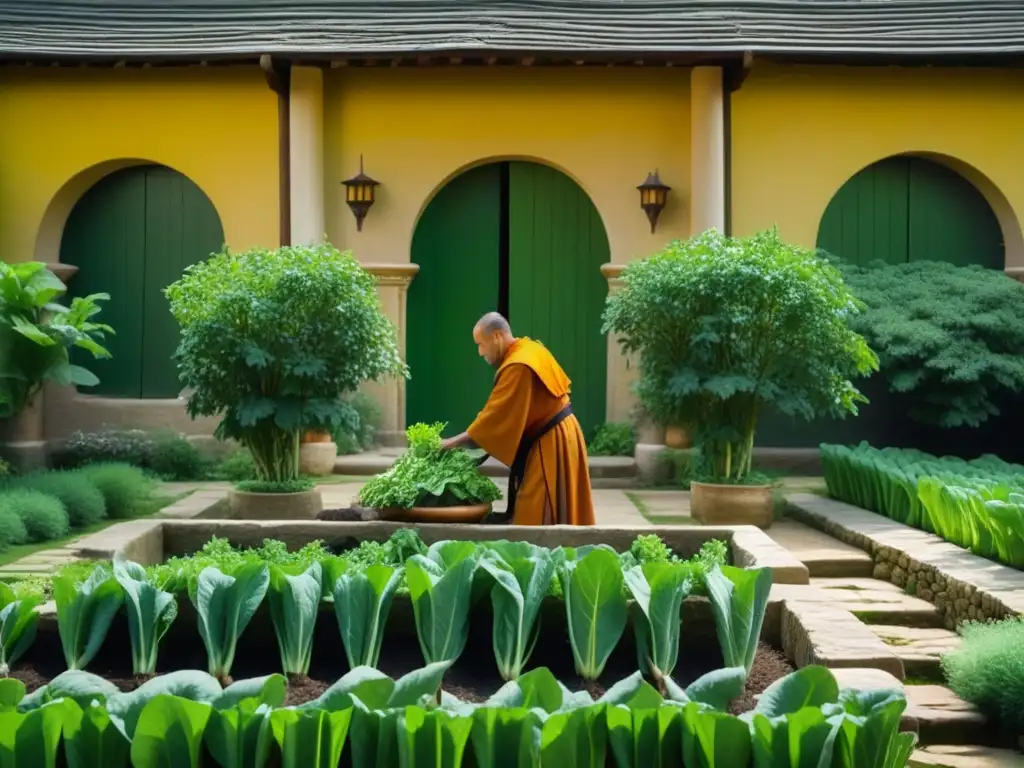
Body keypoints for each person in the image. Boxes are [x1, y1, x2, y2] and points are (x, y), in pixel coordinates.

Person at [440, 312, 595, 526]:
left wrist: (449, 444)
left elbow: (492, 420)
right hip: (561, 434)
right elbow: (497, 410)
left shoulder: (519, 364)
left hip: (550, 440)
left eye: (480, 344)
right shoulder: (528, 349)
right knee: (550, 510)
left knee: (534, 514)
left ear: (496, 336)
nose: (479, 352)